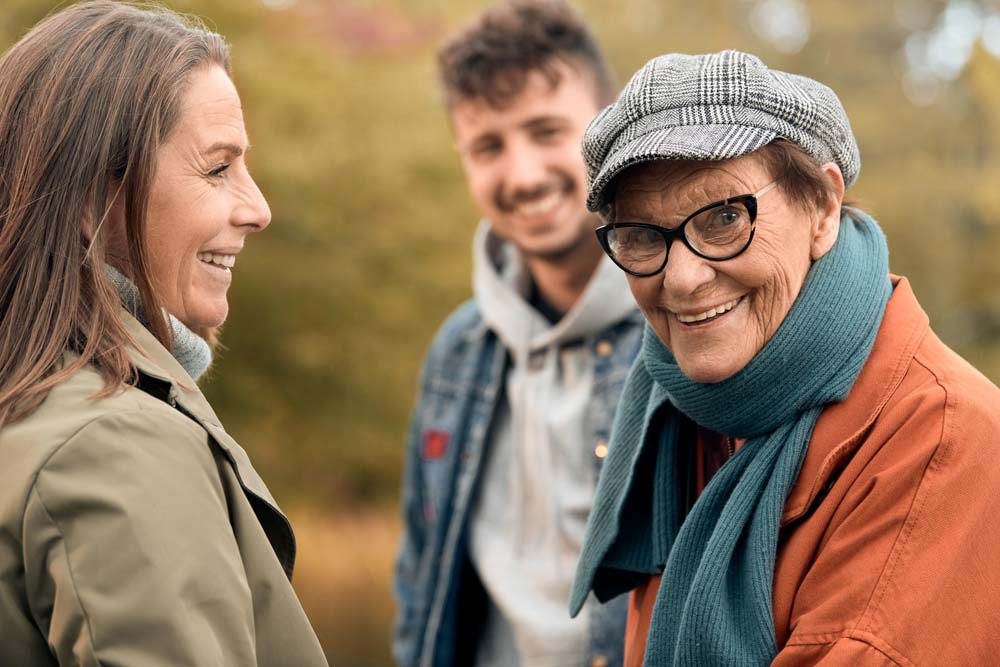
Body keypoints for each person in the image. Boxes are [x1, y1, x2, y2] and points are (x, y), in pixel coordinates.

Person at [568, 49, 1000, 666]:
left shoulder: (944, 443)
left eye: (723, 217)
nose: (684, 279)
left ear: (822, 207)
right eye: (642, 235)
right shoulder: (677, 413)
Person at [0, 3, 328, 665]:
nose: (257, 207)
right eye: (217, 169)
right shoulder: (113, 442)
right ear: (94, 200)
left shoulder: (32, 413)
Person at [392, 2, 643, 665]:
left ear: (608, 124)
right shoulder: (457, 353)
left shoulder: (683, 332)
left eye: (547, 131)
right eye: (489, 146)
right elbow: (422, 584)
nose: (524, 174)